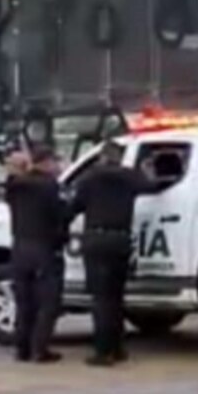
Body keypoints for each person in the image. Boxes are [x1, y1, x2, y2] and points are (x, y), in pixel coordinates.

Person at [68, 141, 157, 367]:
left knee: (101, 300)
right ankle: (117, 348)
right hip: (120, 241)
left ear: (101, 157)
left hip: (97, 240)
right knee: (116, 298)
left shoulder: (88, 178)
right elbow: (152, 186)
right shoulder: (130, 177)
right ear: (120, 157)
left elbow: (74, 207)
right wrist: (148, 170)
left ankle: (102, 352)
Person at [4, 146, 67, 364]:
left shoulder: (16, 186)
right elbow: (59, 216)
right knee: (48, 302)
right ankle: (40, 349)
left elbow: (11, 183)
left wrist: (18, 168)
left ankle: (22, 349)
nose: (58, 167)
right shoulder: (49, 186)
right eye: (55, 162)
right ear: (46, 162)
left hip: (20, 248)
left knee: (24, 302)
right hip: (43, 248)